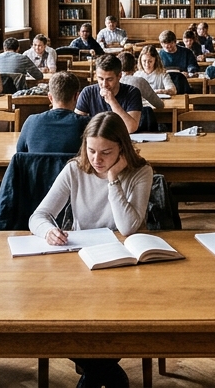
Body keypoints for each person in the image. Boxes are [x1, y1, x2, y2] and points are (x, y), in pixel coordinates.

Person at [30, 113, 154, 388]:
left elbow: (129, 227)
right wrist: (47, 231)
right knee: (53, 322)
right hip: (80, 264)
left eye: (106, 152)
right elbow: (38, 215)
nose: (97, 159)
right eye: (91, 150)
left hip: (124, 267)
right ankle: (109, 375)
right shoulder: (75, 169)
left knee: (113, 326)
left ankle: (99, 374)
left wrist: (113, 180)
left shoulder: (141, 172)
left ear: (122, 147)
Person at [16, 72, 89, 154]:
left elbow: (20, 155)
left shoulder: (31, 121)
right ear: (77, 96)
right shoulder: (87, 124)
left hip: (38, 167)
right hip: (73, 166)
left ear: (50, 97)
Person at [73, 54, 142, 133]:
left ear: (119, 76)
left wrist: (112, 101)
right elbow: (76, 125)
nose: (104, 84)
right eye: (100, 78)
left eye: (109, 79)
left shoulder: (132, 92)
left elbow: (130, 128)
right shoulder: (88, 92)